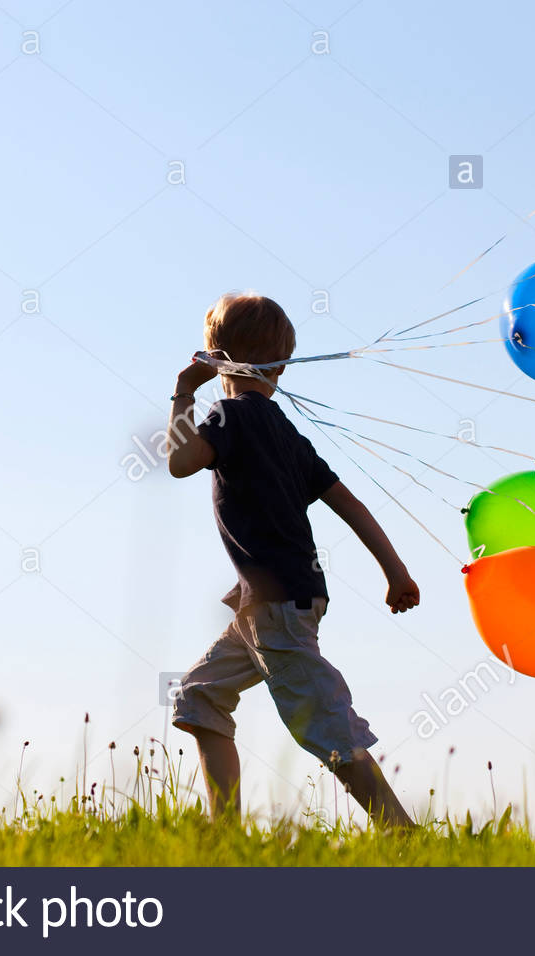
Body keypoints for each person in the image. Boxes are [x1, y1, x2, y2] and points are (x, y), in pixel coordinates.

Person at [166, 292, 418, 828]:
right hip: (270, 605)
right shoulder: (288, 435)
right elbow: (353, 506)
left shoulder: (228, 418)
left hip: (278, 606)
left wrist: (182, 393)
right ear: (281, 365)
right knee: (200, 697)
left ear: (213, 358)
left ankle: (402, 833)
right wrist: (396, 572)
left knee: (326, 727)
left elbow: (180, 463)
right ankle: (223, 837)